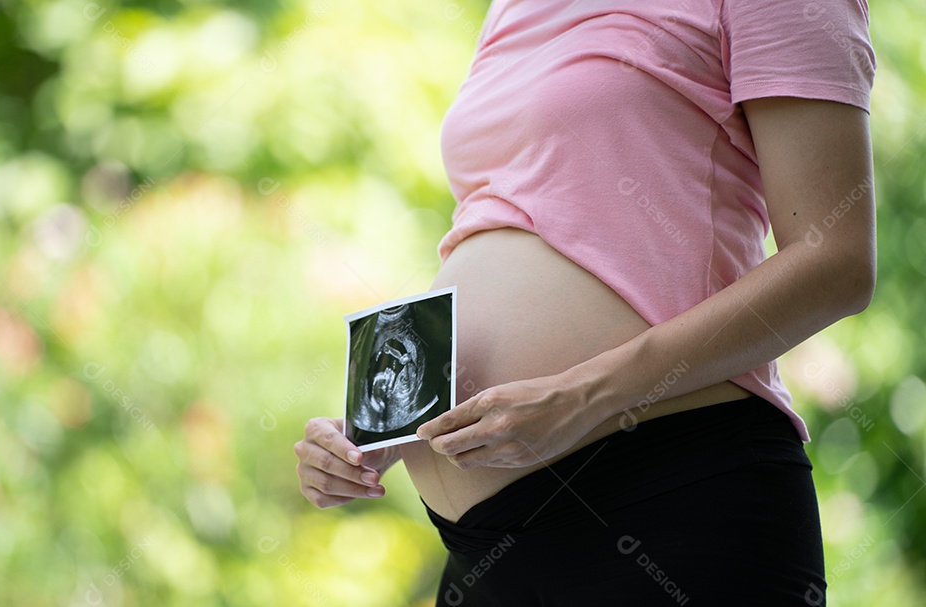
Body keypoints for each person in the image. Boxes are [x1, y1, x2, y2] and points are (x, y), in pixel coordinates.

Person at [295, 0, 876, 604]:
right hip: (479, 550)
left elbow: (835, 261)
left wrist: (584, 396)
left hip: (670, 502)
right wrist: (383, 424)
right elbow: (509, 218)